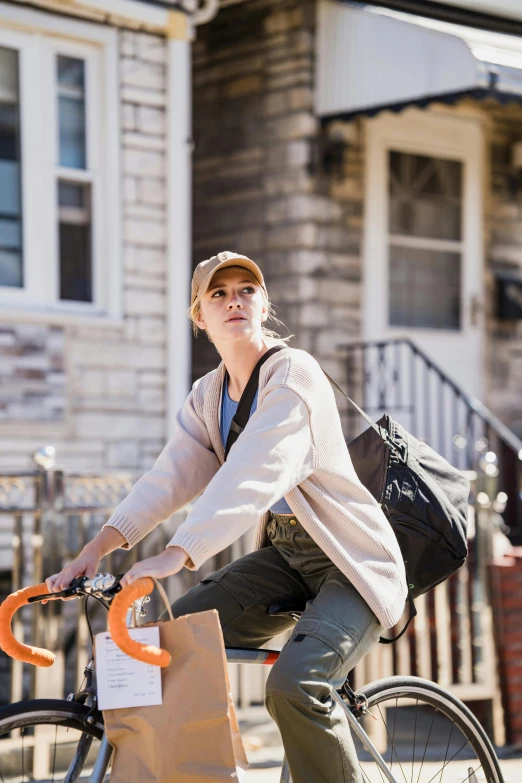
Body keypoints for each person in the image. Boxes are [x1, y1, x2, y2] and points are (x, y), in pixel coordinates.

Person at [46, 251, 407, 783]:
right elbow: (169, 477)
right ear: (200, 317)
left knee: (294, 686)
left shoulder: (294, 374)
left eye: (246, 290)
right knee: (168, 648)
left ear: (264, 306)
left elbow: (255, 469)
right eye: (218, 294)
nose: (234, 300)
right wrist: (97, 548)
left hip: (352, 561)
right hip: (286, 555)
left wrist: (177, 553)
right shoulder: (208, 396)